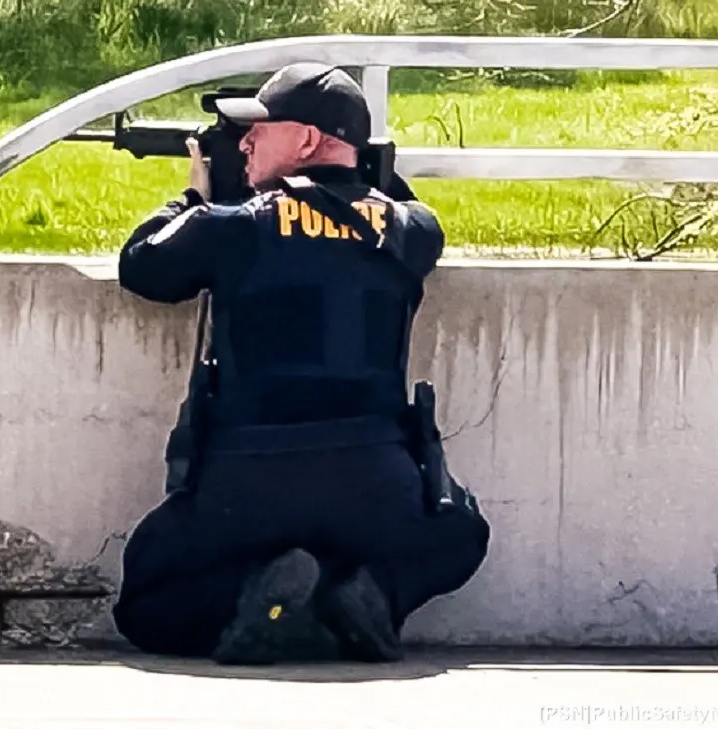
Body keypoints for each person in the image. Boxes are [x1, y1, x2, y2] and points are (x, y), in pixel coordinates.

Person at [111, 63, 491, 665]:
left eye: (260, 129)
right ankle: (363, 595)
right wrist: (367, 173)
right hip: (375, 481)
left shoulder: (234, 227)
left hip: (248, 481)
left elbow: (142, 266)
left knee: (147, 602)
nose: (243, 142)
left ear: (309, 140)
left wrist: (194, 195)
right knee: (463, 533)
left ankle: (259, 596)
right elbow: (390, 211)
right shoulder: (413, 232)